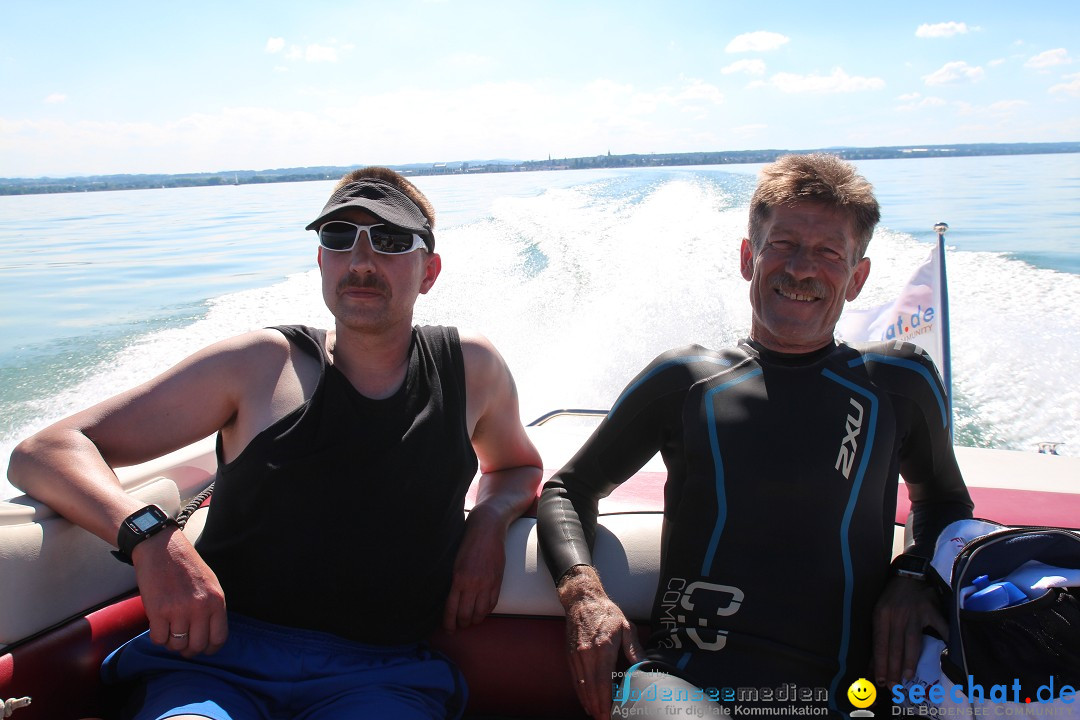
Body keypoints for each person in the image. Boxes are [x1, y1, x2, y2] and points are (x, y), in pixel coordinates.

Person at [8, 167, 543, 720]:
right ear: (320, 261)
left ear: (428, 271)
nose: (360, 261)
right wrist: (155, 542)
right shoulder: (258, 366)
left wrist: (487, 521)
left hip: (380, 675)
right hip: (214, 663)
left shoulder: (469, 369)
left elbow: (516, 467)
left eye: (389, 241)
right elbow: (45, 451)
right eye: (339, 238)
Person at [536, 153, 974, 719]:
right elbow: (568, 491)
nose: (800, 269)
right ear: (749, 257)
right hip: (684, 683)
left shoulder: (899, 384)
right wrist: (584, 595)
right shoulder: (686, 380)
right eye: (783, 244)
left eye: (828, 253)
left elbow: (944, 501)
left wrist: (915, 575)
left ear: (857, 277)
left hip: (846, 695)